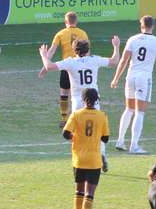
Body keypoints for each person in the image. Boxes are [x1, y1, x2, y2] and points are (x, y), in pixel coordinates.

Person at [39, 36, 120, 172]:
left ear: (74, 50)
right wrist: (116, 46)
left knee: (77, 133)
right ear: (88, 49)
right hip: (94, 101)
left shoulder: (71, 62)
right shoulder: (94, 60)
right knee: (98, 130)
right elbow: (115, 61)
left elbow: (49, 66)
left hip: (78, 103)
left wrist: (43, 55)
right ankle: (102, 154)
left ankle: (79, 161)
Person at [111, 16, 156, 154]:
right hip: (144, 78)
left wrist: (116, 78)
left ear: (141, 26)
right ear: (153, 26)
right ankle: (134, 145)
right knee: (140, 112)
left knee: (129, 109)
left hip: (130, 76)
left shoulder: (132, 39)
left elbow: (123, 60)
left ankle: (120, 141)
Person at [62, 88, 109, 209]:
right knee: (90, 193)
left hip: (78, 158)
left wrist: (75, 138)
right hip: (94, 160)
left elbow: (65, 133)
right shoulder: (102, 116)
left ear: (83, 100)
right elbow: (106, 138)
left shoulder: (76, 114)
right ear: (97, 100)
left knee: (78, 191)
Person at [41, 12, 89, 127]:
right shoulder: (83, 33)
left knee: (64, 93)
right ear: (76, 21)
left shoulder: (61, 33)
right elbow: (87, 51)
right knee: (81, 92)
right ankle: (84, 116)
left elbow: (52, 50)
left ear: (65, 22)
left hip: (66, 67)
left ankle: (64, 119)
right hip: (80, 67)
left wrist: (45, 66)